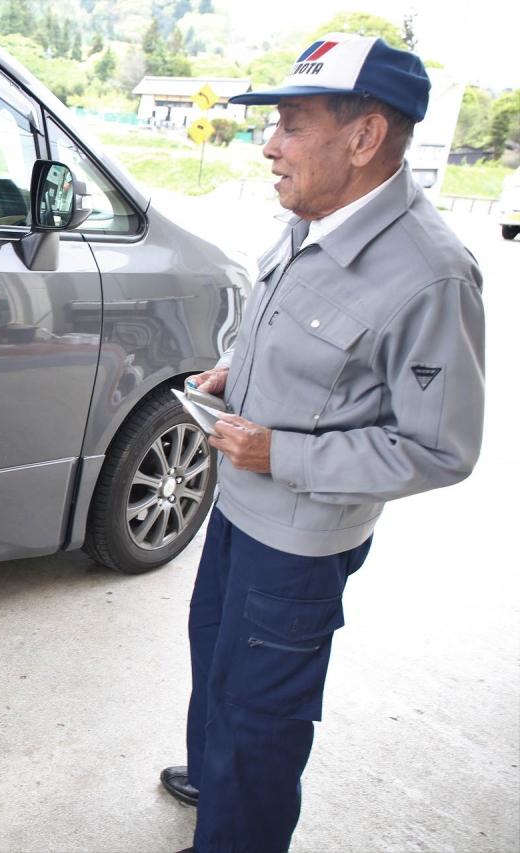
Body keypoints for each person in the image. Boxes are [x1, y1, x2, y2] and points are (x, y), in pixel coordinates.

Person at [158, 34, 486, 853]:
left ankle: (238, 828)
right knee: (216, 663)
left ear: (365, 137)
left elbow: (440, 448)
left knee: (261, 718)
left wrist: (283, 455)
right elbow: (290, 331)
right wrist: (234, 371)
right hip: (237, 508)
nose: (270, 146)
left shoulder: (431, 274)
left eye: (293, 125)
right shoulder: (313, 217)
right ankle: (215, 782)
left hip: (297, 545)